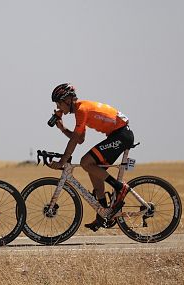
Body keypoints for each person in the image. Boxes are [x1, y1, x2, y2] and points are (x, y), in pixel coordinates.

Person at [48, 83, 134, 231]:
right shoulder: (80, 111)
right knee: (93, 171)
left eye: (59, 103)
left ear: (68, 100)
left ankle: (120, 187)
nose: (58, 107)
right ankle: (103, 214)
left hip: (121, 135)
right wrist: (62, 128)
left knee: (86, 162)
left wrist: (62, 161)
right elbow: (79, 139)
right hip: (118, 135)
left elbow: (75, 139)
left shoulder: (81, 109)